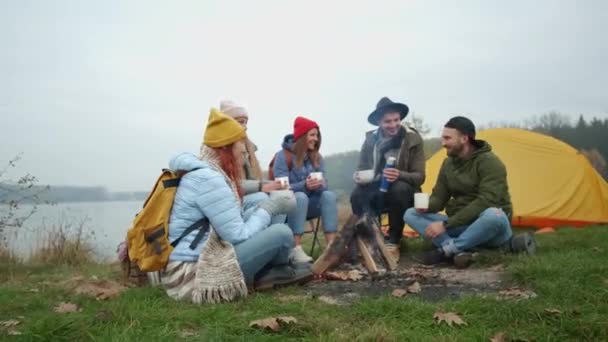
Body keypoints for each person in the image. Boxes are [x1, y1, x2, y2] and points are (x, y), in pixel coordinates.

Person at [163, 109, 312, 304]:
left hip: (199, 256)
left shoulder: (209, 173)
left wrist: (264, 204)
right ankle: (272, 272)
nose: (244, 148)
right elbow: (237, 235)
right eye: (240, 142)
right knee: (282, 233)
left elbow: (231, 223)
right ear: (225, 148)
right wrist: (270, 207)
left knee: (258, 206)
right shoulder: (210, 179)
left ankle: (272, 271)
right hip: (195, 273)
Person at [404, 116, 536, 268]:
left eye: (447, 138)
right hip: (461, 225)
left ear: (464, 138)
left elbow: (486, 202)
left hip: (490, 227)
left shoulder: (490, 162)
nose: (443, 143)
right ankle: (459, 249)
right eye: (443, 138)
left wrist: (446, 224)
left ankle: (445, 251)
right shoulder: (448, 163)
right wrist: (426, 206)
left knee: (494, 215)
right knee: (411, 214)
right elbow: (439, 199)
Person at [350, 97, 426, 263]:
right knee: (356, 194)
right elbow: (362, 168)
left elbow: (420, 176)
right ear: (379, 122)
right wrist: (360, 176)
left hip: (405, 190)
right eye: (387, 121)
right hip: (376, 186)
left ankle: (394, 241)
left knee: (398, 188)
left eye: (396, 120)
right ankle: (370, 239)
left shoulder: (412, 138)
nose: (393, 125)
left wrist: (399, 174)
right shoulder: (371, 140)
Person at [272, 116, 338, 263]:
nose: (316, 139)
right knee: (300, 197)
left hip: (312, 205)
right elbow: (280, 187)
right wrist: (304, 185)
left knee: (329, 195)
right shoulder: (283, 156)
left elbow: (325, 182)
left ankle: (331, 248)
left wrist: (320, 184)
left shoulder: (317, 156)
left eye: (317, 135)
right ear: (302, 137)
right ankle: (295, 249)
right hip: (289, 208)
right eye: (312, 135)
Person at [208, 100, 285, 213]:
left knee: (281, 196)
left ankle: (277, 229)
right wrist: (262, 186)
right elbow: (232, 183)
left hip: (247, 195)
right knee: (264, 198)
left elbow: (256, 178)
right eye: (240, 122)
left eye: (245, 123)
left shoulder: (246, 146)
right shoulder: (220, 150)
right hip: (231, 201)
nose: (245, 127)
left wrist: (251, 151)